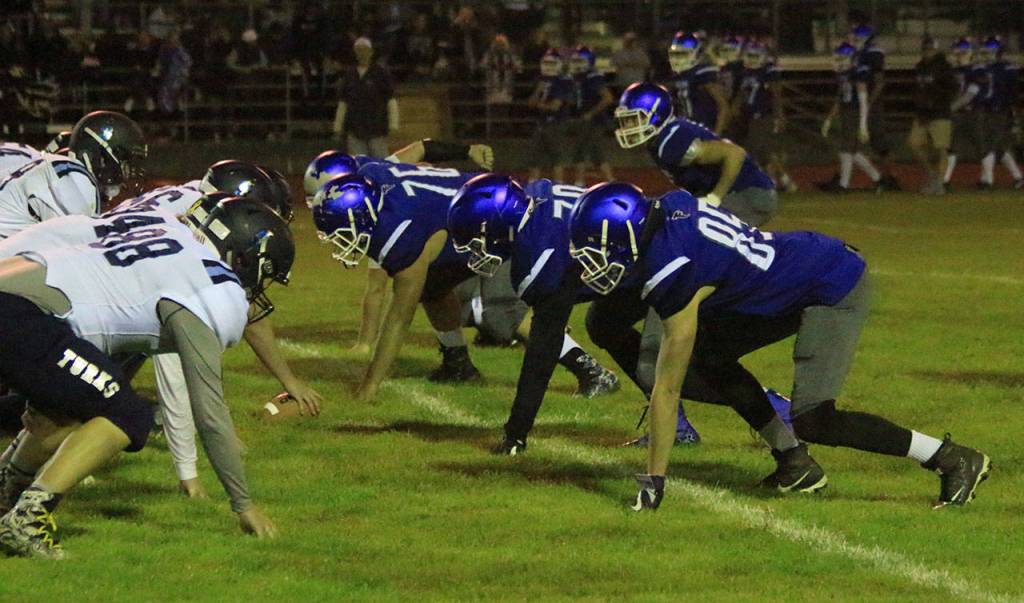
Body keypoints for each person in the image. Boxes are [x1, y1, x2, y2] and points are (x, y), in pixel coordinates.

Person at [567, 182, 991, 511]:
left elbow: (667, 391)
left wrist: (653, 482)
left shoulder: (676, 268)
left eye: (600, 250)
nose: (594, 262)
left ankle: (951, 458)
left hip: (829, 283)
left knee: (815, 419)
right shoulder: (663, 211)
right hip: (785, 276)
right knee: (711, 358)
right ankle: (794, 464)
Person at [0, 197, 292, 557]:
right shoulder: (212, 287)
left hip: (18, 291)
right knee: (129, 414)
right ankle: (27, 519)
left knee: (81, 401)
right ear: (243, 256)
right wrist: (243, 504)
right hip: (20, 315)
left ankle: (6, 491)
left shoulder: (163, 227)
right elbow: (210, 413)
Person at [448, 175, 813, 463]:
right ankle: (681, 427)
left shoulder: (540, 254)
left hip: (665, 267)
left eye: (476, 239)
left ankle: (775, 409)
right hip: (634, 269)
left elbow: (542, 349)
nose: (473, 251)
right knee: (603, 325)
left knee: (660, 366)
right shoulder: (536, 202)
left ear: (500, 225)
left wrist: (516, 432)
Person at [0, 111, 147, 240]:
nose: (126, 173)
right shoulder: (72, 177)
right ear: (103, 159)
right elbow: (81, 250)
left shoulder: (34, 161)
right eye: (125, 165)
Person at [820, 42, 885, 193]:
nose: (839, 61)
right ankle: (878, 179)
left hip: (855, 112)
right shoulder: (845, 74)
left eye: (842, 57)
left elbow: (863, 100)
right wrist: (829, 119)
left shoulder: (858, 72)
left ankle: (843, 185)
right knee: (852, 151)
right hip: (847, 111)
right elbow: (840, 98)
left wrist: (863, 125)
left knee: (846, 149)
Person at [733, 41, 797, 193]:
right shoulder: (746, 72)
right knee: (764, 152)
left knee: (756, 149)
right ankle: (781, 182)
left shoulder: (768, 71)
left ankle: (771, 183)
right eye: (750, 56)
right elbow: (743, 93)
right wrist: (735, 106)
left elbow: (776, 94)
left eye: (755, 56)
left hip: (764, 115)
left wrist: (779, 115)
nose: (752, 59)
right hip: (750, 116)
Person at [333, 37, 397, 158]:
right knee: (359, 165)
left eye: (365, 50)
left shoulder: (381, 74)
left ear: (371, 52)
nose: (362, 54)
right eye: (359, 50)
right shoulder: (349, 75)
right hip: (355, 129)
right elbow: (343, 103)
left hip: (377, 129)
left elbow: (391, 100)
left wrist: (393, 124)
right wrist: (338, 126)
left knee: (381, 164)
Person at [908, 36, 955, 195]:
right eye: (925, 49)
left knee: (941, 148)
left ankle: (939, 183)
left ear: (936, 50)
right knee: (914, 143)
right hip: (923, 113)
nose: (927, 52)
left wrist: (937, 102)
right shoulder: (920, 67)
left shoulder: (944, 67)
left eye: (930, 49)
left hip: (940, 112)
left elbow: (951, 89)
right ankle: (932, 174)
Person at [975, 37, 1022, 189]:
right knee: (998, 146)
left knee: (989, 145)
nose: (988, 53)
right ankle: (1018, 177)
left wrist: (1013, 112)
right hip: (985, 110)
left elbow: (1014, 91)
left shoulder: (1007, 69)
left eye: (992, 49)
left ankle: (988, 180)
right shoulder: (983, 68)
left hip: (1001, 110)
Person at [564, 46, 614, 186]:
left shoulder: (593, 77)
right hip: (584, 118)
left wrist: (590, 113)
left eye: (580, 61)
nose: (576, 64)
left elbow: (608, 98)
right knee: (593, 152)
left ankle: (580, 183)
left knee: (584, 150)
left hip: (594, 120)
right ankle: (609, 181)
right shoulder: (579, 77)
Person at [666, 32, 730, 134]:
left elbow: (723, 106)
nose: (676, 59)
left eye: (682, 54)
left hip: (704, 129)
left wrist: (715, 135)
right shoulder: (681, 75)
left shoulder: (703, 73)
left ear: (696, 54)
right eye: (674, 54)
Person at [945, 38, 986, 189]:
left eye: (964, 49)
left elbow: (971, 94)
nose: (960, 53)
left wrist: (950, 108)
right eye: (958, 49)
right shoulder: (952, 71)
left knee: (981, 146)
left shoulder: (977, 69)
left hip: (972, 112)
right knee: (951, 147)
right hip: (956, 114)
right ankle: (946, 180)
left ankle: (986, 180)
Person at [526, 48, 571, 182]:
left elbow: (555, 106)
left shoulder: (563, 81)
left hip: (556, 123)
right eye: (547, 63)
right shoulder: (540, 80)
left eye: (552, 64)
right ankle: (532, 188)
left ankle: (557, 187)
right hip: (540, 123)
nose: (548, 67)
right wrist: (538, 91)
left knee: (556, 159)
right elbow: (530, 103)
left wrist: (538, 104)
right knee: (534, 158)